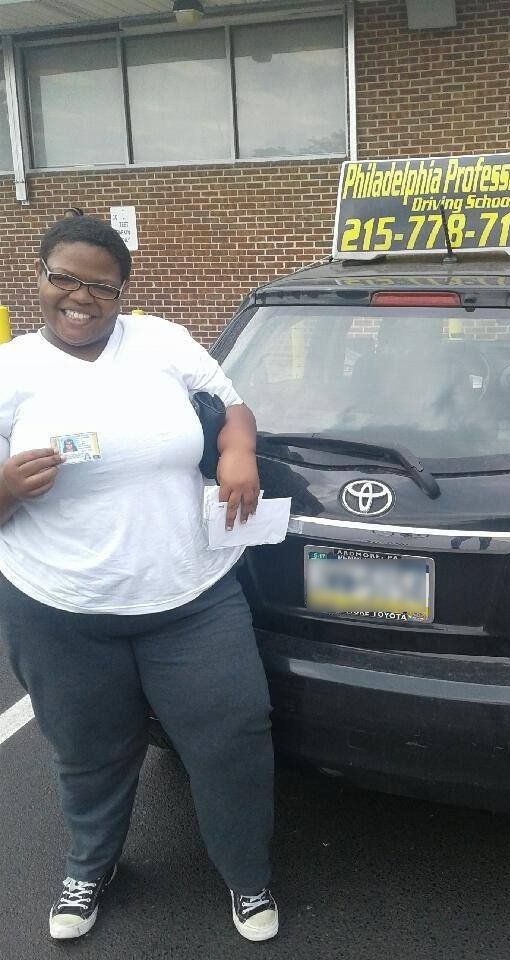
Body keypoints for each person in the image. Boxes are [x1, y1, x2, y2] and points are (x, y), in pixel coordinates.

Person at [0, 216, 278, 943]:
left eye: (101, 284)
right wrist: (4, 487)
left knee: (232, 740)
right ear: (40, 275)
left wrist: (237, 449)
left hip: (191, 598)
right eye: (65, 277)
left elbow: (234, 403)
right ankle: (91, 867)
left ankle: (247, 877)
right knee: (87, 752)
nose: (80, 296)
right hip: (59, 608)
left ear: (123, 292)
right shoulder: (10, 370)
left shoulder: (161, 342)